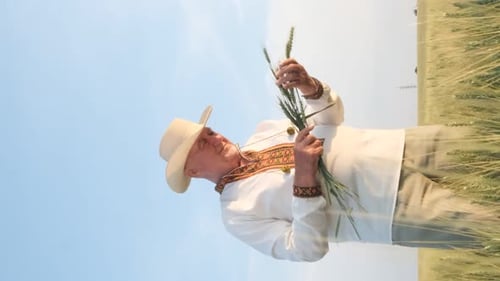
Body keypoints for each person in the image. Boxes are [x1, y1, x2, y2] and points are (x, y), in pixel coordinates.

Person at [159, 58, 495, 262]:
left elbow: (331, 120)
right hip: (394, 210)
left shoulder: (263, 131)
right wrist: (304, 179)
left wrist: (309, 87)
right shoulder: (236, 216)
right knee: (491, 226)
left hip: (405, 145)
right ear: (192, 170)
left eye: (210, 132)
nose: (214, 139)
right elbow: (306, 249)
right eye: (200, 143)